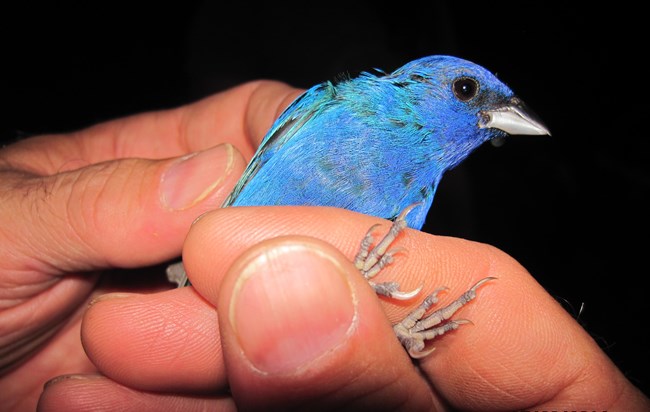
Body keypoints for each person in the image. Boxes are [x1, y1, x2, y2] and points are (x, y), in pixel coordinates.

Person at [0, 81, 647, 411]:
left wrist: (393, 331)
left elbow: (344, 280)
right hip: (198, 263)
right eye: (469, 92)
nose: (485, 109)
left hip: (240, 319)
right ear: (410, 83)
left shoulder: (419, 191)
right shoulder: (333, 103)